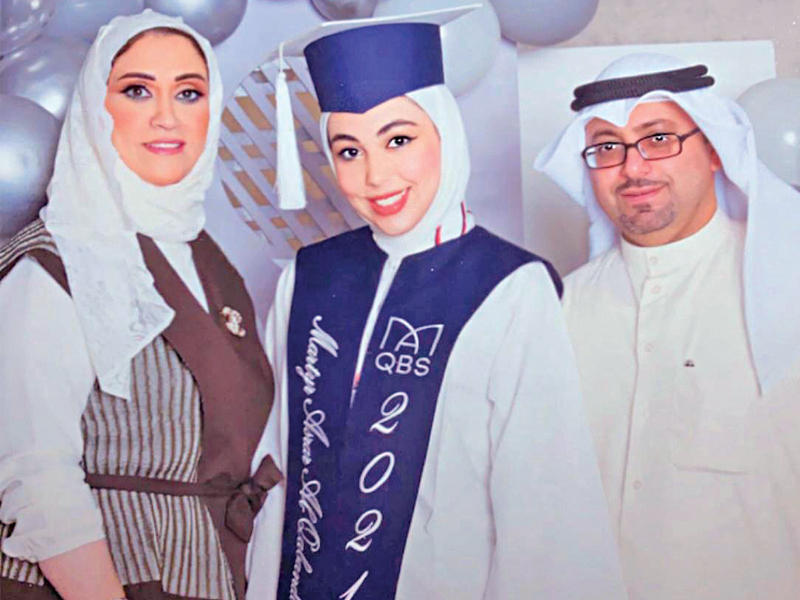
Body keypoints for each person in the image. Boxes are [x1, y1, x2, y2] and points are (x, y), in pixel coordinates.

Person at [246, 8, 626, 600]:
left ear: (445, 132)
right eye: (348, 150)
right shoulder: (310, 277)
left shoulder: (511, 287)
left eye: (399, 139)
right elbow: (277, 466)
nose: (375, 175)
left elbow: (545, 507)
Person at [0, 10, 279, 600]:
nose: (166, 116)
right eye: (137, 90)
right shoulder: (53, 260)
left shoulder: (209, 259)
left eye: (188, 93)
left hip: (201, 576)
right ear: (95, 106)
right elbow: (35, 476)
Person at [535, 52, 800, 600]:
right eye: (608, 147)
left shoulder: (785, 283)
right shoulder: (559, 308)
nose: (633, 168)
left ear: (714, 150)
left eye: (658, 139)